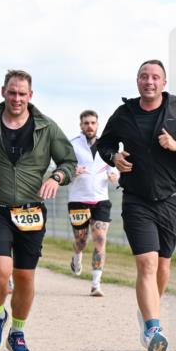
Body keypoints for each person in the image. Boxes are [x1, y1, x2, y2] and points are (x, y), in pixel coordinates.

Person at [96, 59, 176, 351]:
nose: (149, 81)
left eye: (155, 77)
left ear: (164, 82)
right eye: (144, 76)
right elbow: (105, 143)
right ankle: (153, 329)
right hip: (136, 199)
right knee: (147, 264)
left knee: (162, 267)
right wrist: (114, 158)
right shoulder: (124, 113)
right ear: (137, 81)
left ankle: (149, 315)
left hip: (171, 200)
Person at [0, 69, 76, 351]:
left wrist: (56, 177)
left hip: (31, 210)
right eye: (12, 92)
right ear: (3, 92)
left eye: (22, 93)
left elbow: (69, 161)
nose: (17, 98)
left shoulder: (46, 128)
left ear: (30, 96)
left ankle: (18, 332)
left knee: (24, 277)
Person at [68, 109, 119, 297]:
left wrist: (115, 175)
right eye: (86, 123)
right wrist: (72, 171)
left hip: (101, 200)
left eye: (93, 123)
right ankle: (76, 256)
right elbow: (63, 167)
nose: (89, 126)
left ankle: (96, 284)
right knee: (81, 241)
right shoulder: (72, 145)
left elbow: (114, 167)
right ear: (81, 125)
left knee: (100, 240)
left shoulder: (107, 146)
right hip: (78, 200)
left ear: (98, 125)